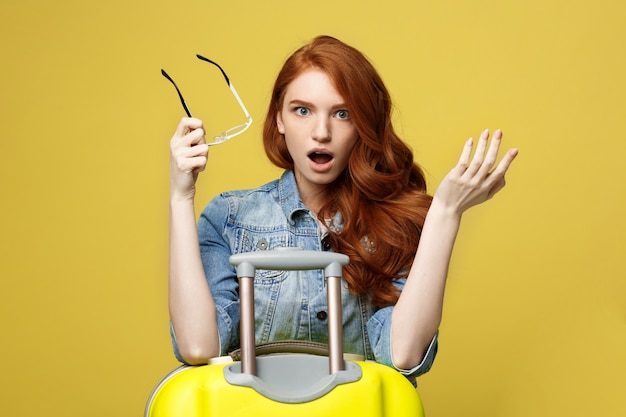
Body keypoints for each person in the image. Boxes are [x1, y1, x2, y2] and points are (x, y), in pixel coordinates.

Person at [167, 35, 518, 385]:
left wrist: (445, 212)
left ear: (364, 125)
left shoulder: (396, 225)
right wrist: (180, 197)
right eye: (302, 110)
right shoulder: (229, 219)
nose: (321, 132)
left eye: (342, 113)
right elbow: (199, 345)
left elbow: (405, 354)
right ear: (279, 119)